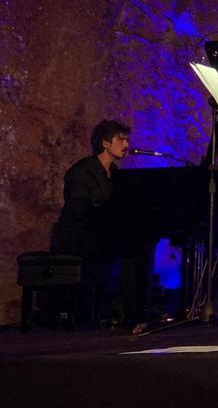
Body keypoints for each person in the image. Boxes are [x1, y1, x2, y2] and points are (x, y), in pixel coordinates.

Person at [51, 119, 150, 327]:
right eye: (121, 139)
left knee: (138, 245)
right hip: (77, 234)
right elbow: (80, 209)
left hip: (101, 231)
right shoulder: (82, 170)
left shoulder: (115, 173)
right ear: (105, 143)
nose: (126, 144)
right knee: (127, 248)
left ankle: (131, 311)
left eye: (127, 139)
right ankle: (124, 313)